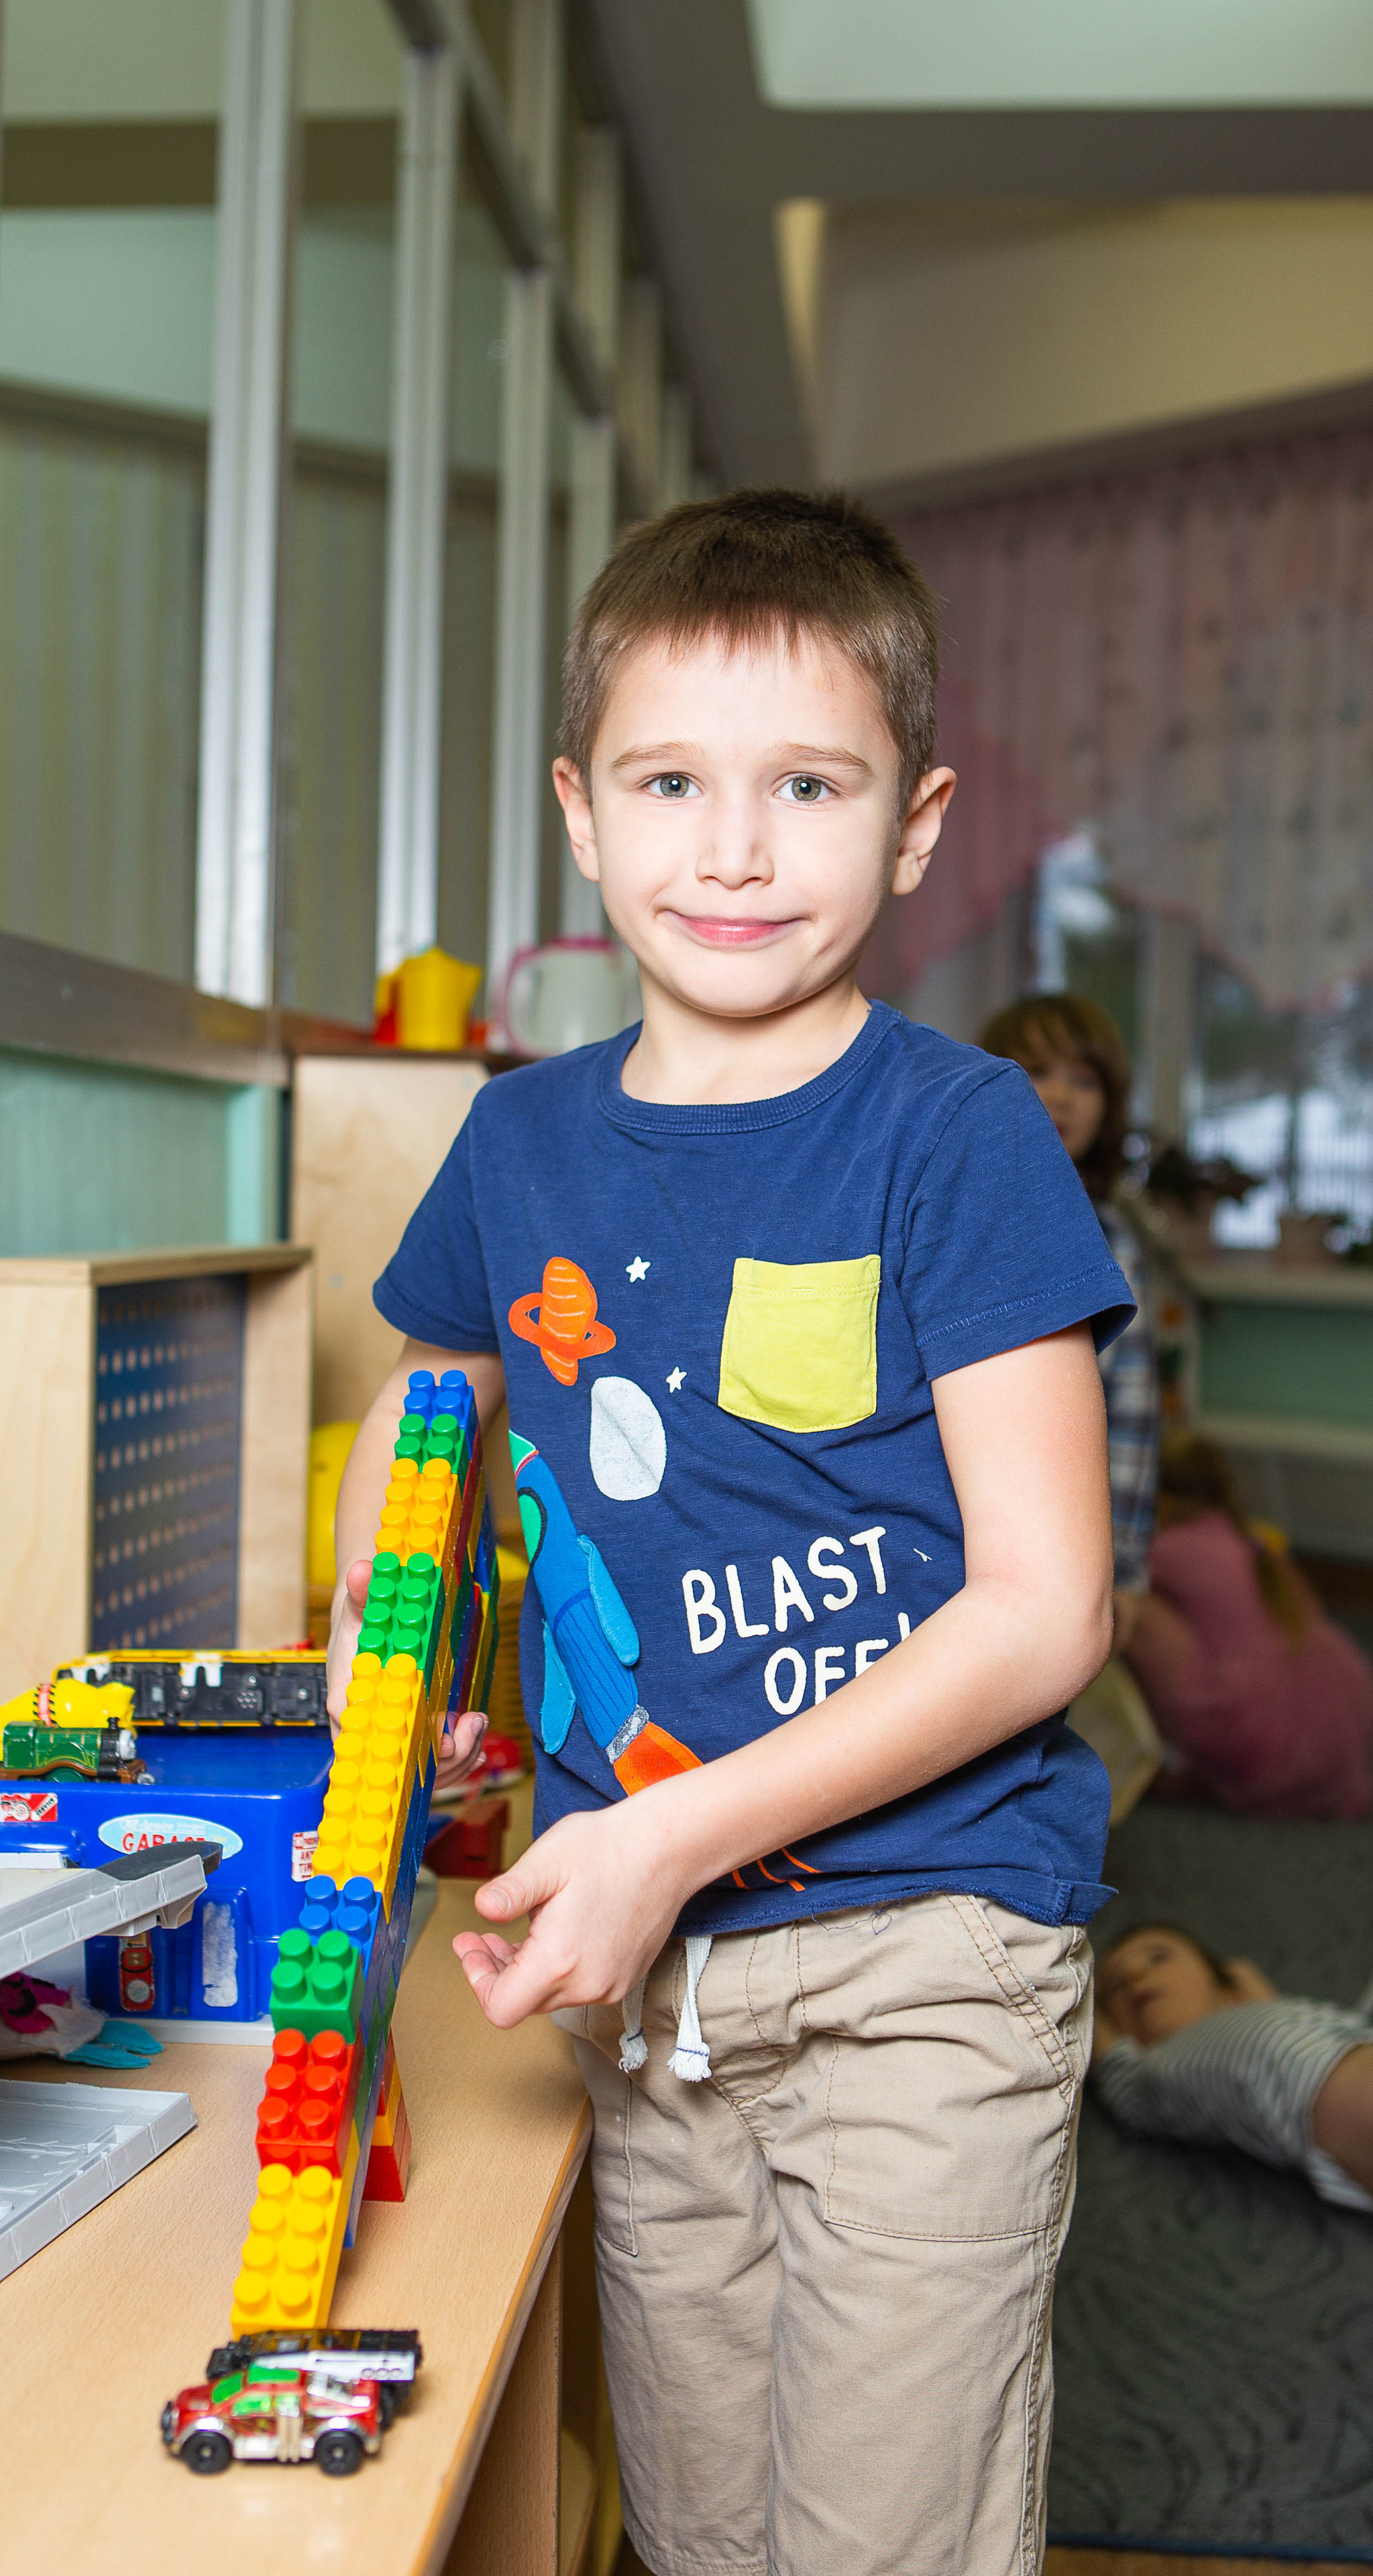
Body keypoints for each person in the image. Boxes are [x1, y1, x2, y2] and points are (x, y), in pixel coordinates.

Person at [327, 489, 1134, 2576]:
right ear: (585, 815)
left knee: (878, 2543)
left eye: (809, 784)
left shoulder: (951, 1137)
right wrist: (374, 1659)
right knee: (698, 2532)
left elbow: (1049, 1610)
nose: (738, 846)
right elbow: (426, 1397)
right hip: (650, 1978)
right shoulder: (513, 1143)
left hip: (924, 1949)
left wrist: (672, 1832)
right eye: (675, 783)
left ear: (917, 821)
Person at [979, 993, 1160, 1639]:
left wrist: (1126, 1572)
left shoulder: (1112, 1239)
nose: (1061, 1096)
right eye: (1037, 1071)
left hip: (1065, 1544)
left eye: (1084, 1080)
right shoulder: (954, 1214)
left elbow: (1133, 1416)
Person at [1119, 1431, 1373, 1819]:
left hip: (1257, 1734)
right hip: (1337, 1724)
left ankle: (1154, 1755)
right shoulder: (1251, 1543)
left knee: (1128, 1605)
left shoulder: (1171, 1548)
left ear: (1159, 1500)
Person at [1093, 1920, 1373, 2212]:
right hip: (1326, 2095)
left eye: (1158, 1957)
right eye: (1116, 1987)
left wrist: (1243, 1983)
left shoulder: (1265, 2012)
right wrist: (1085, 1996)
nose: (1135, 1977)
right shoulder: (1154, 2070)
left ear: (1227, 1985)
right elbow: (1115, 2075)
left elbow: (1271, 2011)